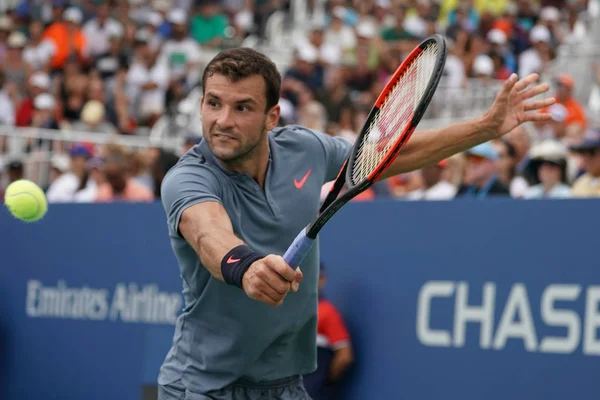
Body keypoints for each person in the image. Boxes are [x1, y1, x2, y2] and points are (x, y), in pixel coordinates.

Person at [158, 47, 554, 399]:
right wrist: (246, 268)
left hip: (282, 384)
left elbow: (382, 158)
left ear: (271, 117)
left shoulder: (304, 148)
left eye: (242, 107)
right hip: (203, 386)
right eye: (213, 103)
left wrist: (484, 127)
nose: (222, 120)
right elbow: (209, 233)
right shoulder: (188, 178)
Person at [302, 263, 353, 400]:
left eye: (313, 277)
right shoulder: (288, 312)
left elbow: (345, 356)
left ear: (322, 280)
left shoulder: (328, 312)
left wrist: (323, 382)